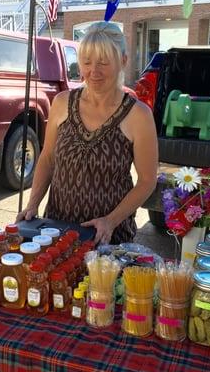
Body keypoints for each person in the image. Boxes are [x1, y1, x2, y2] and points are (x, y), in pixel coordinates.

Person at [16, 21, 158, 245]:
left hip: (109, 236)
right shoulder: (62, 103)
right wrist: (32, 204)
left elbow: (147, 180)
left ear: (123, 61)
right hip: (56, 229)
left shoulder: (138, 115)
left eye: (103, 62)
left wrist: (110, 221)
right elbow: (48, 157)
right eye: (86, 62)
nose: (94, 71)